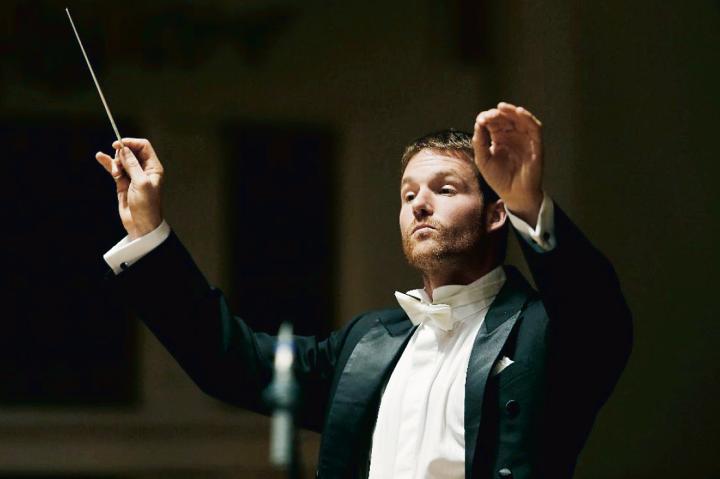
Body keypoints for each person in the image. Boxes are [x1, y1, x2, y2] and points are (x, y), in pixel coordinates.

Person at [95, 102, 632, 479]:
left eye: (445, 189)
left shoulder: (543, 331)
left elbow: (598, 315)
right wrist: (149, 235)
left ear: (495, 214)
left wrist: (526, 204)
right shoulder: (366, 342)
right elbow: (231, 363)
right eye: (408, 194)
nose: (419, 205)